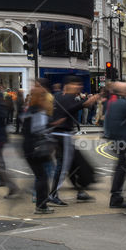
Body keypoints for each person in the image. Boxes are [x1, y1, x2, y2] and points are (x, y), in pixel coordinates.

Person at [48, 76, 98, 206]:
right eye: (76, 85)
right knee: (63, 167)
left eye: (80, 85)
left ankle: (80, 191)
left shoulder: (59, 95)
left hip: (60, 135)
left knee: (73, 165)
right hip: (62, 135)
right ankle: (52, 194)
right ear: (68, 85)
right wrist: (93, 99)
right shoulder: (68, 97)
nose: (79, 87)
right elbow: (80, 106)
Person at [22, 86, 55, 214]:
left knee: (41, 175)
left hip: (29, 148)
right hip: (37, 149)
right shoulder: (38, 112)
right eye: (44, 97)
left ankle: (41, 203)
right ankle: (41, 206)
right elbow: (39, 130)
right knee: (42, 177)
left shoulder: (30, 109)